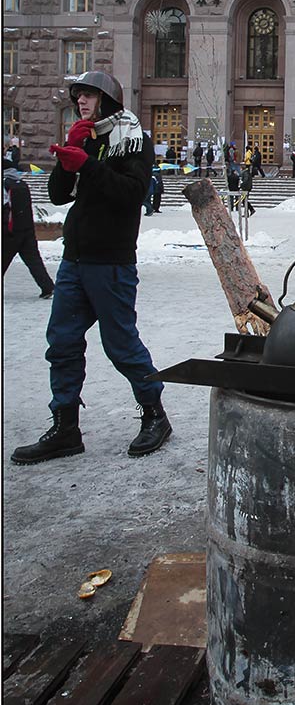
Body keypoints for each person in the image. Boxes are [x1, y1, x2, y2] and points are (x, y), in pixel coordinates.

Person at [11, 71, 172, 465]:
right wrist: (71, 156)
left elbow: (132, 194)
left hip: (111, 262)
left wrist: (88, 165)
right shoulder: (87, 137)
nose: (81, 101)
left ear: (109, 100)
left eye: (89, 95)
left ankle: (155, 414)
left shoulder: (132, 140)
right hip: (75, 260)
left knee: (121, 346)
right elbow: (58, 194)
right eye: (78, 95)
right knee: (62, 343)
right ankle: (65, 428)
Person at [2, 161, 55, 298]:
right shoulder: (22, 184)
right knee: (34, 261)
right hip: (27, 229)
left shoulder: (5, 184)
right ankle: (48, 287)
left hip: (10, 231)